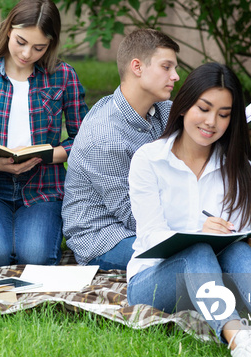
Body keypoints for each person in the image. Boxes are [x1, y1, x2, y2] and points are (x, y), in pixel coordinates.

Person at [126, 62, 251, 357]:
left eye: (224, 114)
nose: (211, 122)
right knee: (197, 248)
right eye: (204, 108)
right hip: (153, 283)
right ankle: (241, 343)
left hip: (217, 281)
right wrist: (196, 231)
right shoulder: (149, 160)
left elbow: (235, 243)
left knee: (235, 249)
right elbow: (150, 237)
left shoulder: (240, 168)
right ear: (184, 105)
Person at [0, 0, 88, 268]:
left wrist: (47, 156)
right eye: (21, 42)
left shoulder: (63, 76)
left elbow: (83, 141)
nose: (27, 53)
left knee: (36, 257)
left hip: (44, 186)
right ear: (8, 30)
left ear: (50, 44)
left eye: (39, 47)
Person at [61, 29, 180, 270]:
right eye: (166, 67)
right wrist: (194, 230)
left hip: (147, 218)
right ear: (137, 67)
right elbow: (135, 215)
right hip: (106, 235)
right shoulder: (106, 136)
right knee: (183, 257)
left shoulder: (163, 110)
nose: (175, 76)